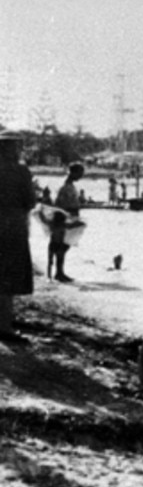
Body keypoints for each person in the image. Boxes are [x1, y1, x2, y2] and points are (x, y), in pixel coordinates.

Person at [0, 131, 36, 341]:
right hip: (12, 226)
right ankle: (4, 327)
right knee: (9, 279)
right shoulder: (20, 171)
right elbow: (30, 201)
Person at [48, 162, 85, 283]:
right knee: (61, 246)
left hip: (64, 218)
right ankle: (58, 273)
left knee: (61, 246)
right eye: (80, 173)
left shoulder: (68, 185)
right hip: (62, 218)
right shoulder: (66, 187)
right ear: (73, 172)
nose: (81, 176)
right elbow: (62, 205)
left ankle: (57, 272)